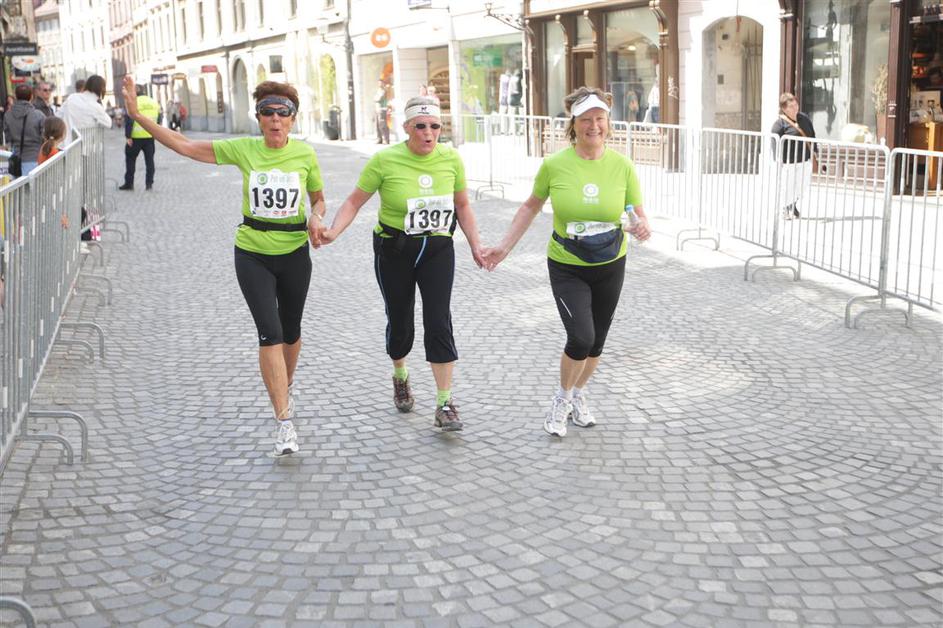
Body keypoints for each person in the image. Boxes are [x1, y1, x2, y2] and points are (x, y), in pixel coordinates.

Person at [120, 74, 326, 456]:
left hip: (295, 253)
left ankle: (285, 385)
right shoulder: (244, 148)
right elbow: (184, 145)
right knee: (270, 333)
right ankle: (284, 421)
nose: (275, 119)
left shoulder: (305, 155)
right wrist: (137, 116)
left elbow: (319, 199)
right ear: (258, 117)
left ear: (293, 118)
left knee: (291, 331)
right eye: (267, 111)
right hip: (252, 253)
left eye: (283, 112)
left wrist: (316, 216)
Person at [481, 87, 651, 437]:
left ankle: (578, 394)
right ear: (573, 125)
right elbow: (530, 206)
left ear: (608, 123)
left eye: (600, 119)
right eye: (586, 119)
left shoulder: (622, 166)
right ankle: (561, 398)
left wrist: (642, 226)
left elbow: (637, 212)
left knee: (597, 342)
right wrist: (504, 248)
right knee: (581, 337)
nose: (594, 126)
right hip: (567, 264)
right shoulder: (555, 165)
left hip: (611, 262)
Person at [317, 96, 485, 432]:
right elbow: (354, 201)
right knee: (400, 322)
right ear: (406, 127)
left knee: (439, 320)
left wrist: (476, 245)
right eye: (420, 126)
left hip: (437, 249)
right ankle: (401, 375)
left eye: (435, 126)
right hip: (394, 251)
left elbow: (463, 205)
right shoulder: (384, 160)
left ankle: (444, 402)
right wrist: (333, 231)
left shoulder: (451, 158)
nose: (428, 133)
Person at [771, 92, 816, 220]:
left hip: (804, 159)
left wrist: (815, 151)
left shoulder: (804, 119)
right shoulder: (779, 125)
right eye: (791, 106)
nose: (795, 108)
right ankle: (785, 208)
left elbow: (812, 134)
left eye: (796, 105)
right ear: (784, 108)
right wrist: (778, 160)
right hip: (789, 162)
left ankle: (792, 205)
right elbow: (775, 142)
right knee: (788, 186)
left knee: (802, 186)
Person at [119, 84, 160, 191]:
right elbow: (159, 118)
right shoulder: (153, 102)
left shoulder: (133, 102)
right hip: (150, 136)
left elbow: (130, 120)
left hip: (135, 137)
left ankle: (129, 184)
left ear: (134, 92)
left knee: (130, 160)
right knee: (150, 161)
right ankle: (149, 184)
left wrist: (128, 136)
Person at [3, 84, 46, 176]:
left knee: (18, 185)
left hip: (16, 162)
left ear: (15, 96)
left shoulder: (7, 115)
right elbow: (44, 137)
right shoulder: (39, 115)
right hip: (35, 159)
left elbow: (8, 139)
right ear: (31, 96)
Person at [374, 80, 390, 145]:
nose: (379, 84)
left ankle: (386, 139)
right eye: (378, 83)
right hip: (377, 109)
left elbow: (379, 98)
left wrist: (376, 98)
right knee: (377, 125)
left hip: (382, 109)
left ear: (383, 83)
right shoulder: (378, 90)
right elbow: (375, 98)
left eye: (381, 83)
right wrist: (376, 98)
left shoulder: (384, 90)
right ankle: (379, 139)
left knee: (383, 125)